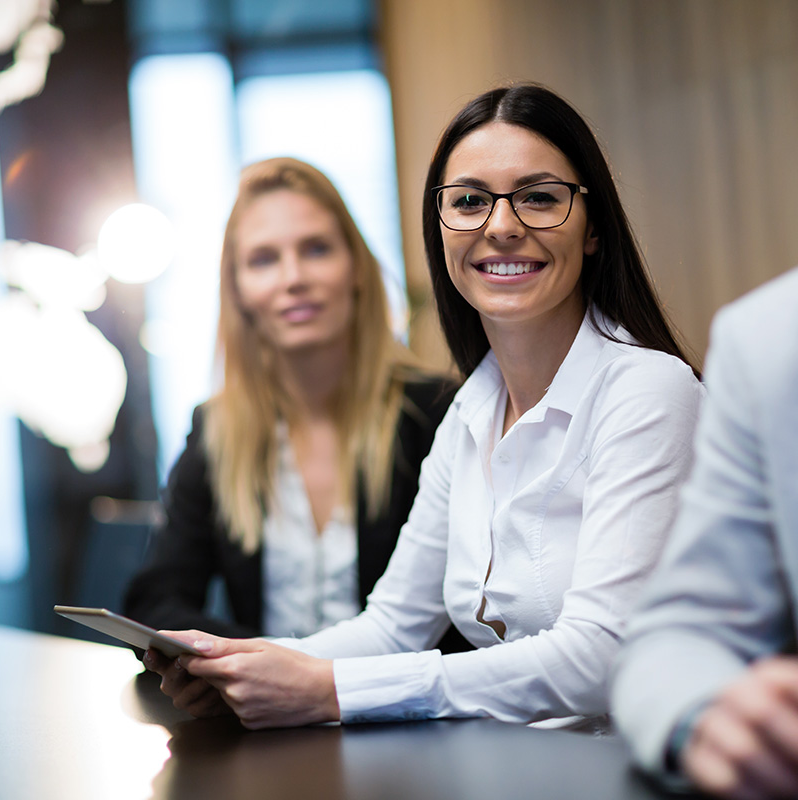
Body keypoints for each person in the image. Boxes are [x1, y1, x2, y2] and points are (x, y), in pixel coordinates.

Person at [144, 83, 703, 731]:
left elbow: (600, 655)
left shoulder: (648, 392)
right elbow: (392, 626)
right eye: (469, 201)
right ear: (440, 233)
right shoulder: (471, 411)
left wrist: (329, 689)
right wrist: (236, 666)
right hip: (508, 765)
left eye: (539, 197)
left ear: (593, 229)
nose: (501, 226)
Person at [123, 157, 466, 651]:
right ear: (238, 290)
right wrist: (267, 668)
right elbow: (155, 604)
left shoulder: (440, 413)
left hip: (408, 699)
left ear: (357, 268)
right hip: (261, 701)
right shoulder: (217, 429)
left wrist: (284, 669)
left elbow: (469, 623)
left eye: (316, 249)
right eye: (263, 259)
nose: (293, 277)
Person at [611, 266, 798, 799]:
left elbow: (595, 642)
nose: (502, 229)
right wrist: (707, 716)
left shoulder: (651, 386)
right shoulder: (769, 340)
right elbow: (682, 630)